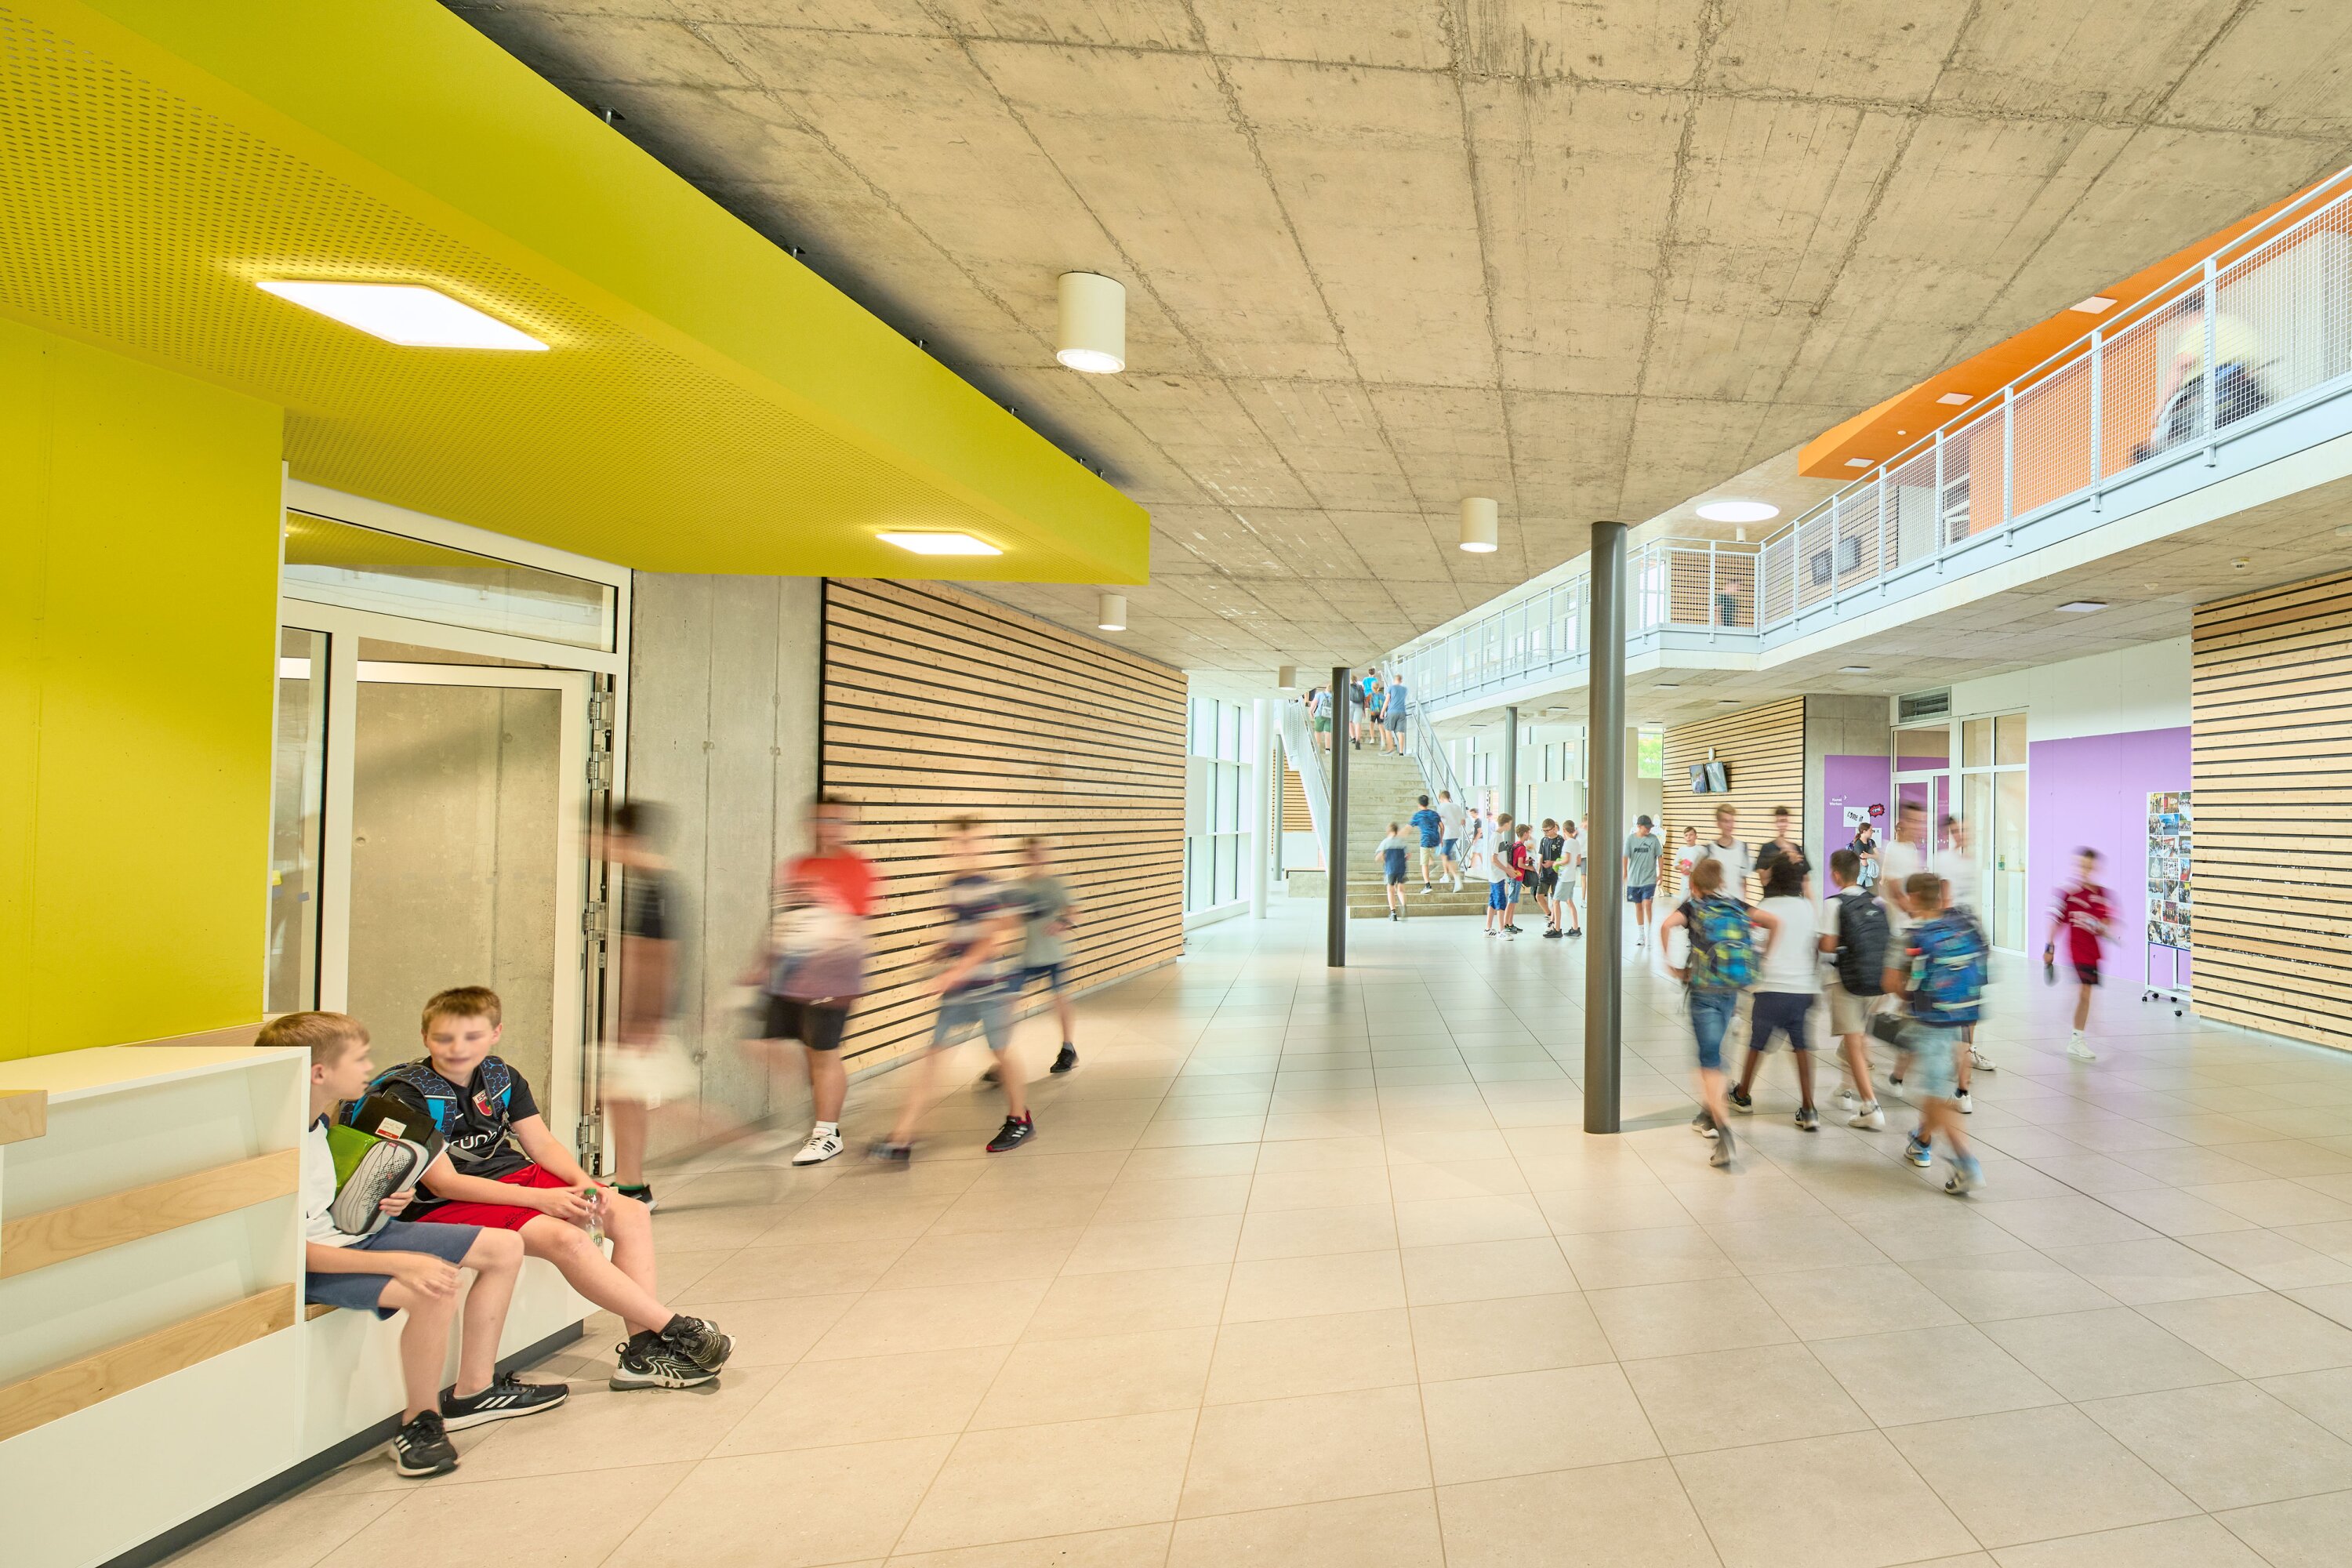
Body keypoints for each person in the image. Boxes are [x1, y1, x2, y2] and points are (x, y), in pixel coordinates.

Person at [369, 986, 734, 1392]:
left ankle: (642, 1350)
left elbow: (540, 1144)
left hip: (513, 1176)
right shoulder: (409, 1096)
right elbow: (444, 1182)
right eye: (443, 1038)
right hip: (448, 1201)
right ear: (425, 1037)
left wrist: (583, 1185)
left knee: (627, 1211)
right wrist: (542, 1199)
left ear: (495, 1033)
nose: (457, 1048)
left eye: (472, 1037)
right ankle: (675, 1328)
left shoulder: (499, 1076)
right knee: (566, 1238)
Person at [270, 1011, 563, 1478]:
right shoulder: (274, 1144)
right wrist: (404, 1263)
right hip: (324, 1261)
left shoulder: (318, 1124)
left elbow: (323, 1202)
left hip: (363, 1234)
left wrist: (386, 1196)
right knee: (435, 1286)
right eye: (359, 1059)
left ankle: (475, 1391)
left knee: (504, 1248)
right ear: (320, 1073)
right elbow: (288, 1250)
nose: (369, 1069)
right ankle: (421, 1422)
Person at [872, 815, 1034, 1160]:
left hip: (992, 988)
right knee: (932, 1059)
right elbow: (964, 934)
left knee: (1001, 1054)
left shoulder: (987, 886)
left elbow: (988, 941)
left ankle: (1020, 1119)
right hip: (960, 990)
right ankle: (901, 1137)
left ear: (984, 847)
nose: (965, 850)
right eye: (958, 844)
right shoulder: (954, 886)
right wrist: (938, 954)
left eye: (972, 843)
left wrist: (951, 973)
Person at [749, 793, 878, 1167]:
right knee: (789, 1050)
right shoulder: (797, 866)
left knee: (823, 1055)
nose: (827, 829)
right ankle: (827, 1109)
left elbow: (851, 930)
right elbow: (785, 922)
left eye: (836, 821)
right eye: (821, 821)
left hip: (831, 978)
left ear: (846, 826)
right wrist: (761, 966)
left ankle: (827, 1132)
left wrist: (839, 982)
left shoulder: (856, 869)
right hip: (791, 979)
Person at [1661, 857, 1777, 1168]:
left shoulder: (1692, 906)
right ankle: (1708, 1114)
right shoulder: (1736, 904)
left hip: (1703, 993)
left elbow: (1665, 925)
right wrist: (1763, 958)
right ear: (1721, 882)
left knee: (1709, 1061)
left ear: (1694, 885)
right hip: (1731, 990)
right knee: (1718, 1053)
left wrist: (1671, 965)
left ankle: (1724, 1132)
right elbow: (1775, 922)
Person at [604, 800, 682, 1210]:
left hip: (646, 1019)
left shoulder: (656, 887)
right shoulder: (642, 882)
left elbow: (661, 957)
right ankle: (632, 1186)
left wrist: (646, 1020)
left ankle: (756, 1145)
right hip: (638, 1018)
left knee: (673, 1105)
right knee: (622, 1095)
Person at [1893, 872, 1988, 1196]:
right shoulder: (1961, 926)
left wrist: (1906, 997)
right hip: (1960, 1014)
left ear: (1916, 898)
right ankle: (1921, 1140)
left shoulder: (1915, 936)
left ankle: (1966, 1163)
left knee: (1934, 1094)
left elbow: (1892, 983)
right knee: (1936, 1084)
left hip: (1930, 1018)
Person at [1728, 857, 1820, 1130]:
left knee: (1757, 1043)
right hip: (1802, 989)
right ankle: (1809, 1108)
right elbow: (1815, 946)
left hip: (1770, 987)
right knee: (1802, 1047)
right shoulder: (1807, 907)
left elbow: (1755, 944)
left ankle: (1743, 1094)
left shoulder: (1766, 907)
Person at [2138, 290, 2266, 459]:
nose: (2179, 329)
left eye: (2178, 324)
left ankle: (2155, 454)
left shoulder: (2200, 329)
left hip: (2214, 392)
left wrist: (2161, 407)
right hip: (2248, 389)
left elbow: (2181, 365)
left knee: (2171, 424)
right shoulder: (2233, 324)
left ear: (2187, 316)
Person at [1820, 848, 1891, 1131]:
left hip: (1846, 981)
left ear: (1835, 874)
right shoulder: (1875, 901)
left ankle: (1870, 1106)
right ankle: (1844, 1089)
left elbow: (1827, 946)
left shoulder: (1833, 904)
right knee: (1857, 1040)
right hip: (1876, 981)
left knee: (1854, 1042)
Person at [1011, 837, 1080, 1074]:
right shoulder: (1018, 888)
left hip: (1053, 955)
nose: (1035, 858)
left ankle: (1068, 1049)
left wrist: (1061, 924)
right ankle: (1003, 1056)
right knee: (1006, 1004)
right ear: (1024, 857)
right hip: (1026, 956)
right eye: (1030, 854)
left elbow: (1073, 911)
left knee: (1060, 1000)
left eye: (1039, 853)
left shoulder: (1054, 885)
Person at [1940, 815, 1994, 1107]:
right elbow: (1945, 898)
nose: (1962, 835)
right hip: (1954, 931)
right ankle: (1956, 1053)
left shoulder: (1971, 861)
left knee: (1974, 992)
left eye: (1965, 830)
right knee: (1954, 994)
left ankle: (1968, 1049)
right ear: (1950, 834)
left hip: (1972, 930)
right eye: (1956, 831)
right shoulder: (1945, 861)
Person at [2045, 848, 2113, 1062]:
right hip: (2076, 952)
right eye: (2081, 866)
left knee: (2086, 996)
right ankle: (2076, 1040)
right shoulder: (2068, 894)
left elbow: (2108, 921)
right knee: (2084, 992)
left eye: (2089, 866)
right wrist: (2049, 947)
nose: (2085, 870)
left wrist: (2102, 926)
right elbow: (2056, 921)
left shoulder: (2102, 894)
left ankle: (2077, 1034)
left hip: (2093, 952)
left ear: (2095, 868)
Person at [1694, 804, 1754, 903]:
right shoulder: (1708, 850)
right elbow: (1695, 879)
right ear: (1718, 824)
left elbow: (1743, 881)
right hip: (1714, 905)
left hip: (1735, 906)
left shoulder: (1743, 848)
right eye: (1726, 821)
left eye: (1732, 821)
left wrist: (1744, 905)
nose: (1729, 825)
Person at [1624, 815, 1662, 949]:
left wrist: (1660, 874)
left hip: (1649, 879)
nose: (1649, 830)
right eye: (1646, 827)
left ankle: (1650, 932)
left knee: (1647, 904)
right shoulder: (1630, 839)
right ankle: (1641, 934)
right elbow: (1625, 856)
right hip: (1634, 879)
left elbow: (1660, 856)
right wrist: (1625, 872)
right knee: (1638, 906)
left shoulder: (1653, 839)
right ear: (1639, 826)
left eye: (1650, 828)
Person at [1755, 805, 1810, 898]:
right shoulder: (1766, 848)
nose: (1782, 825)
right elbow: (1764, 881)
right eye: (1779, 821)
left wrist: (1811, 907)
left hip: (1794, 901)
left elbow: (1806, 882)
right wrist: (1781, 860)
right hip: (1772, 901)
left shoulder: (1796, 849)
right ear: (1775, 823)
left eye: (1784, 821)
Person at [1483, 811, 1516, 938]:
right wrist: (1507, 870)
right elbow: (1494, 859)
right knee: (1501, 901)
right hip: (1497, 876)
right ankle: (1501, 931)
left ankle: (1488, 929)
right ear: (1506, 823)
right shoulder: (1497, 837)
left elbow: (1500, 858)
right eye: (1510, 824)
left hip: (1496, 875)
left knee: (1492, 902)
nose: (1510, 827)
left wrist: (1509, 867)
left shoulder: (1497, 836)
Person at [1537, 818, 1566, 936]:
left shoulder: (1561, 841)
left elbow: (1564, 859)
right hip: (1544, 873)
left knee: (1555, 900)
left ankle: (1553, 922)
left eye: (1547, 831)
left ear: (1554, 829)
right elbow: (1541, 856)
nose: (1545, 833)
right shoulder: (1543, 840)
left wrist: (1552, 863)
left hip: (1556, 874)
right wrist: (1538, 871)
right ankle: (1549, 914)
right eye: (1543, 831)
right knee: (1539, 896)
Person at [1375, 822, 1410, 920]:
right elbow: (1409, 855)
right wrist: (1402, 860)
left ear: (1389, 831)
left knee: (1390, 890)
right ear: (1396, 831)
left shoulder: (1386, 842)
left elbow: (1379, 855)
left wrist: (1384, 859)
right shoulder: (1402, 842)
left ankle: (1393, 914)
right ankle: (1403, 906)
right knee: (1401, 890)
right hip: (1401, 868)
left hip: (1390, 868)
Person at [1410, 794, 1444, 891]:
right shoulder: (1434, 814)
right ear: (1428, 803)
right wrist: (1441, 840)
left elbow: (1409, 827)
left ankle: (1428, 885)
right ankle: (1432, 862)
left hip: (1425, 840)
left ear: (1419, 804)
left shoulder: (1418, 815)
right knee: (1428, 854)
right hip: (1435, 839)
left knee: (1424, 864)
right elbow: (1442, 827)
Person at [1556, 819, 1584, 936]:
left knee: (1555, 901)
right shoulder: (1577, 842)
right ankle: (1575, 928)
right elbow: (1578, 861)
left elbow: (1566, 860)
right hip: (1572, 876)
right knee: (1569, 901)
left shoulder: (1567, 843)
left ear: (1564, 830)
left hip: (1565, 877)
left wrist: (1556, 863)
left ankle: (1557, 929)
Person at [1507, 821, 1536, 933]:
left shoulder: (1515, 845)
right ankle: (1507, 925)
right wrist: (1530, 868)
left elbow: (1517, 862)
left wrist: (1526, 861)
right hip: (1517, 878)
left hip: (1514, 877)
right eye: (1528, 833)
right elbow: (1520, 865)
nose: (1529, 835)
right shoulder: (1522, 848)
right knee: (1512, 901)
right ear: (1524, 833)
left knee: (1513, 901)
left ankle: (1510, 923)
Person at [1436, 789, 1466, 891]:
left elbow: (1437, 820)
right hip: (1456, 834)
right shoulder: (1457, 806)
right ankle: (1446, 875)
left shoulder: (1442, 807)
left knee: (1445, 855)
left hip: (1447, 834)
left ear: (1441, 798)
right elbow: (1463, 821)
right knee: (1445, 854)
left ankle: (1455, 877)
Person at [1381, 674, 1409, 753]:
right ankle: (1401, 752)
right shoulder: (1404, 689)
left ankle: (1391, 748)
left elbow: (1387, 701)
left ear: (1394, 680)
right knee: (1400, 732)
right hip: (1402, 712)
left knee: (1388, 729)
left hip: (1392, 711)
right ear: (1401, 681)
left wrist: (1382, 712)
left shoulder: (1391, 688)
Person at [1673, 826, 1700, 901]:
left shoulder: (1700, 850)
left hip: (1697, 881)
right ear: (1684, 838)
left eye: (1691, 835)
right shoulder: (1682, 850)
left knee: (1696, 902)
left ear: (1696, 836)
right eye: (1686, 835)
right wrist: (1682, 867)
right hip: (1685, 880)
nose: (1688, 837)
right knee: (1683, 902)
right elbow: (1676, 865)